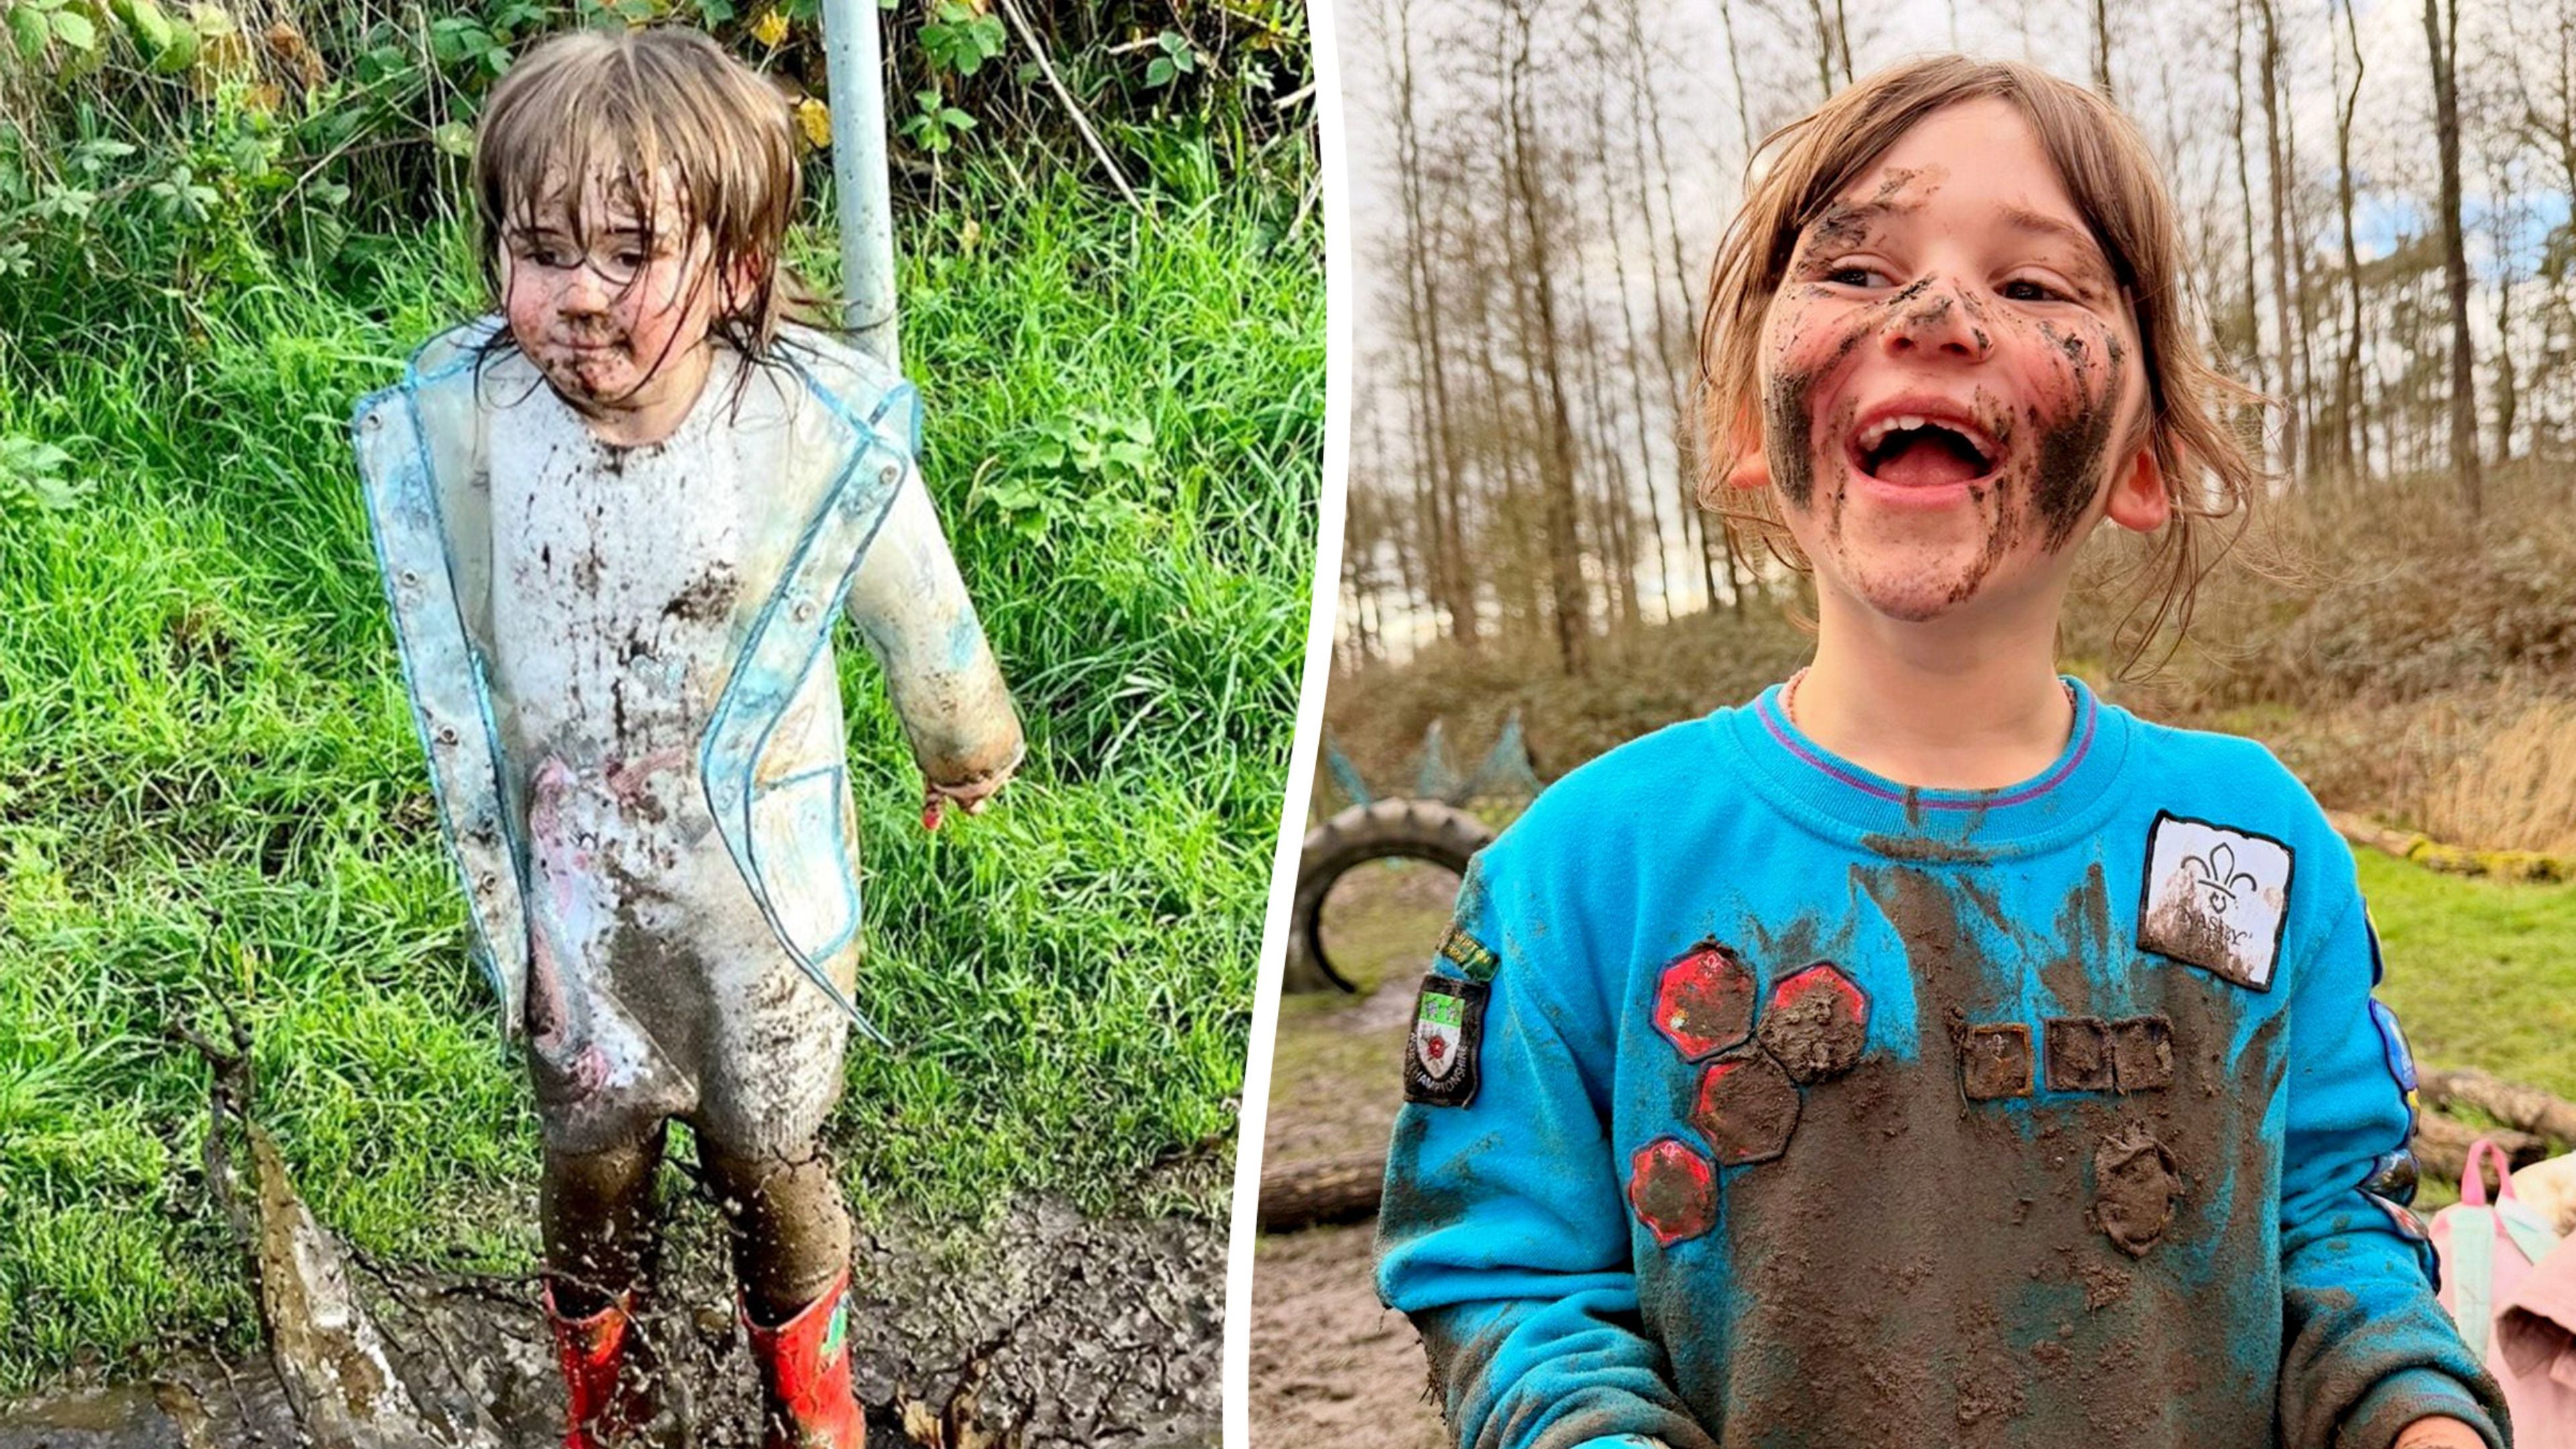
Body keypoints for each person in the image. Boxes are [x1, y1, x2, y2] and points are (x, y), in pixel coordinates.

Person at [1374, 56, 2506, 1449]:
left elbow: (2339, 1221)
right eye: (1853, 270)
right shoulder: (1579, 874)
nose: (1937, 315)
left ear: (2145, 459)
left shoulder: (2248, 847)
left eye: (2035, 288)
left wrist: (2421, 1422)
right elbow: (1511, 1284)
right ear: (1749, 421)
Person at [350, 27, 1022, 1448]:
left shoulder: (801, 430)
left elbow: (917, 605)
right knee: (589, 1154)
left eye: (626, 255)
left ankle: (814, 1405)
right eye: (540, 251)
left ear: (732, 268)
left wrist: (963, 740)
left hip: (753, 894)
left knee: (769, 1150)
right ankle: (614, 1401)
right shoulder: (476, 418)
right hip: (575, 890)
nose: (575, 298)